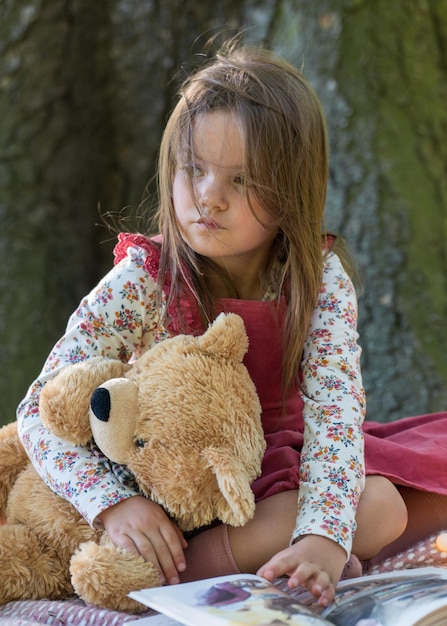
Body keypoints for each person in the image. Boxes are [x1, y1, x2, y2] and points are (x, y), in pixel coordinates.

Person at [16, 40, 447, 609]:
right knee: (378, 512)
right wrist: (115, 504)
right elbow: (38, 411)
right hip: (176, 481)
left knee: (390, 502)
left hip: (280, 469)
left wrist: (323, 536)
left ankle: (302, 551)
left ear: (292, 187)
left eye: (241, 180)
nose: (208, 198)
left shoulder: (317, 278)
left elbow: (335, 417)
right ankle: (172, 570)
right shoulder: (144, 279)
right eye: (193, 169)